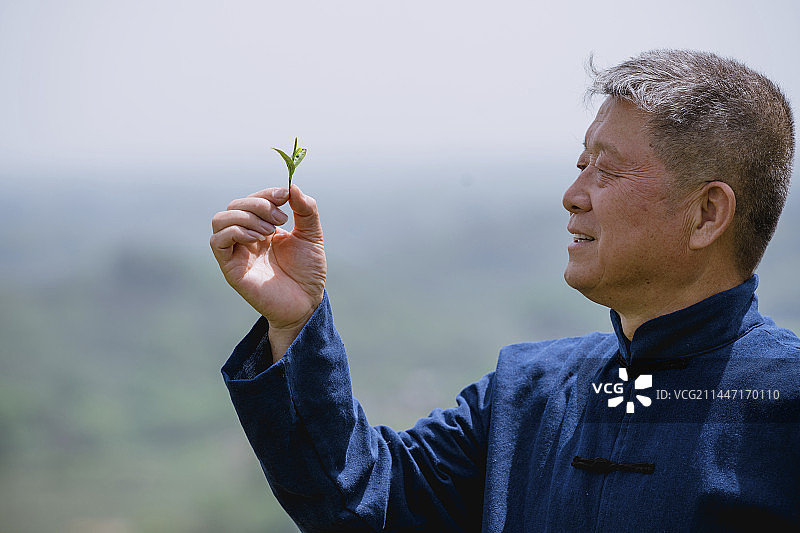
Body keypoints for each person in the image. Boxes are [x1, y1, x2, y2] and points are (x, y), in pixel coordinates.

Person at [210, 49, 798, 531]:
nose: (573, 194)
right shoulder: (528, 392)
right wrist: (295, 325)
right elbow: (365, 501)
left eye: (607, 169)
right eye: (580, 163)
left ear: (706, 213)